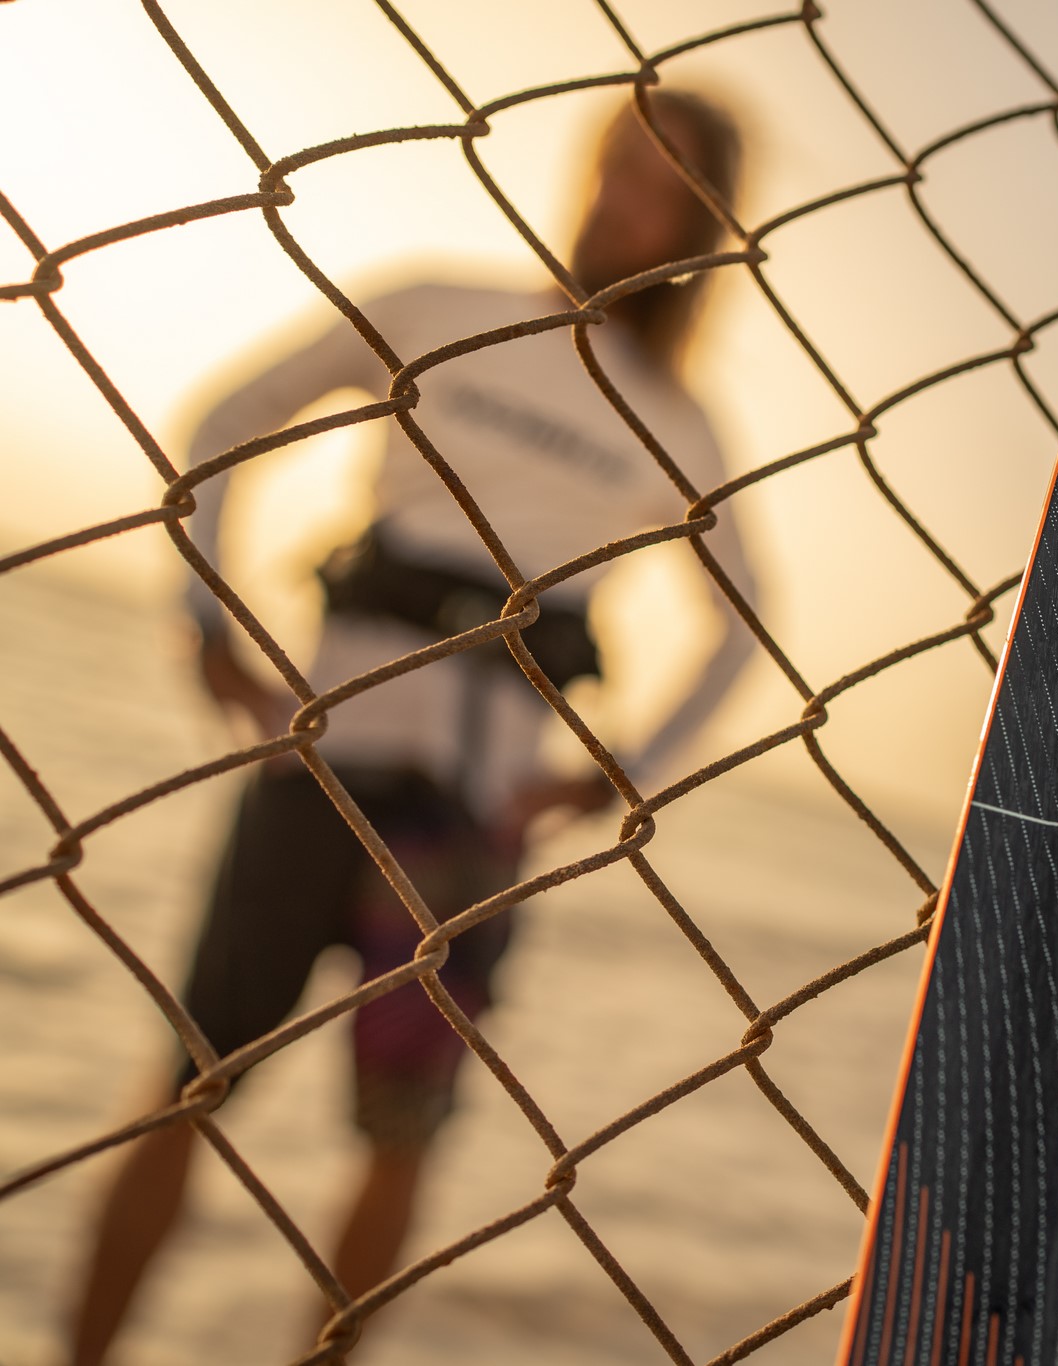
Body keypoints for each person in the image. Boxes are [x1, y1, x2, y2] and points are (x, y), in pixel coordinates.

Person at [66, 89, 754, 1365]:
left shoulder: (678, 422)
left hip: (465, 833)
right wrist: (206, 620)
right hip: (317, 770)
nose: (622, 202)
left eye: (661, 185)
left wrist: (614, 777)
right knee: (186, 1089)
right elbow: (225, 422)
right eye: (616, 165)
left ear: (699, 225)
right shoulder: (441, 305)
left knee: (399, 1142)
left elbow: (743, 624)